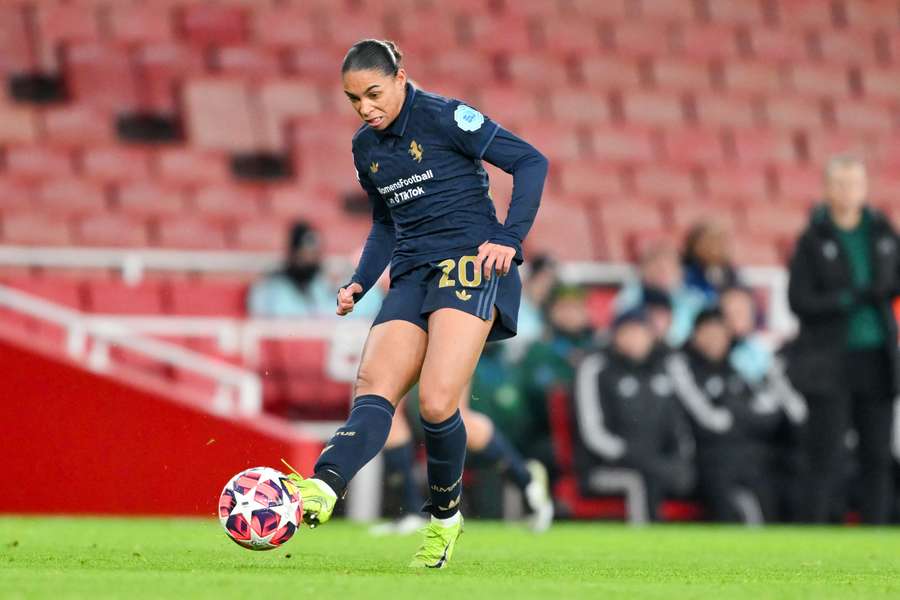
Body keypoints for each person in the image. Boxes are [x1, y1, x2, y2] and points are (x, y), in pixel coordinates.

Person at [282, 39, 548, 568]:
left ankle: (444, 520)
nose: (365, 108)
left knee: (437, 404)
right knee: (372, 388)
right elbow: (385, 223)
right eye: (353, 99)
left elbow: (530, 162)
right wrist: (360, 281)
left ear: (400, 78)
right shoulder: (365, 148)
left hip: (468, 264)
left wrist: (509, 238)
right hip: (411, 273)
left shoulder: (446, 117)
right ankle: (324, 486)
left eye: (373, 93)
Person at [787, 154, 899, 524]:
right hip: (828, 361)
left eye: (855, 183)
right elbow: (799, 301)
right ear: (827, 189)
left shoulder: (882, 233)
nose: (848, 191)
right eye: (841, 184)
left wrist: (884, 291)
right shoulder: (812, 239)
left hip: (877, 356)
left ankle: (875, 528)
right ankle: (816, 526)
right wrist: (848, 299)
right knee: (826, 452)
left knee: (877, 453)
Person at [573, 309, 695, 521]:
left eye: (640, 332)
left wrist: (676, 457)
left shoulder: (666, 367)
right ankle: (644, 538)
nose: (634, 339)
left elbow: (680, 423)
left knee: (686, 475)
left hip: (657, 462)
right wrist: (630, 454)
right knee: (640, 480)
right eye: (628, 332)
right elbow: (592, 432)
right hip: (605, 466)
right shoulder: (597, 367)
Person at [667, 308, 781, 523]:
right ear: (696, 335)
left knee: (769, 499)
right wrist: (742, 416)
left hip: (749, 454)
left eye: (720, 333)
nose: (715, 340)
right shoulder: (683, 366)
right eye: (708, 333)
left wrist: (734, 414)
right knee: (725, 506)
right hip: (707, 457)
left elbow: (768, 415)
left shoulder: (737, 367)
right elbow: (709, 422)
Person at [247, 221, 382, 318]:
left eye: (316, 252)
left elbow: (334, 314)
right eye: (307, 251)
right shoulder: (271, 287)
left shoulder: (321, 284)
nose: (312, 257)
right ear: (294, 251)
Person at [614, 240, 706, 347]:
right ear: (644, 270)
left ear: (680, 271)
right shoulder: (629, 298)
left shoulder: (694, 300)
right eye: (657, 267)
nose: (663, 273)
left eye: (669, 267)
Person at [681, 220, 740, 305]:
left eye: (719, 242)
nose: (714, 249)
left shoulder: (730, 273)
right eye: (709, 242)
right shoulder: (686, 272)